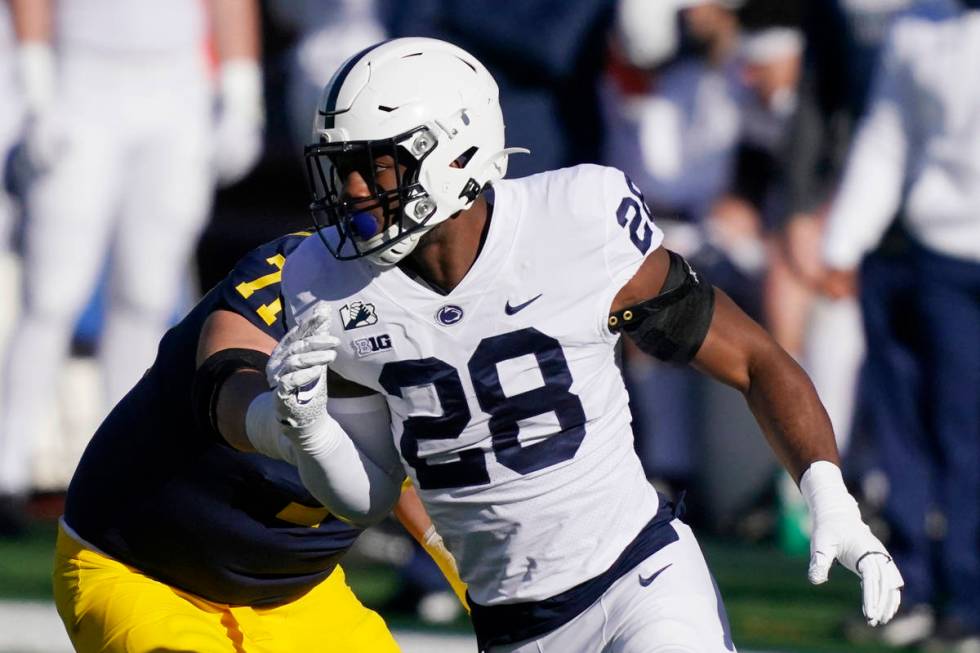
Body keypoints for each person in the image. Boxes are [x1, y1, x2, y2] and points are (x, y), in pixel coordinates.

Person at [245, 37, 904, 652]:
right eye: (343, 168)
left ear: (454, 152)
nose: (355, 191)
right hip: (509, 620)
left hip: (637, 580)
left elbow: (755, 359)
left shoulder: (574, 222)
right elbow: (370, 495)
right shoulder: (322, 282)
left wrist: (830, 496)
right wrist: (308, 431)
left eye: (376, 166)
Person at [52, 229, 466, 652]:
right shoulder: (303, 270)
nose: (353, 189)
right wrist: (293, 428)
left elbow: (431, 472)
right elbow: (225, 382)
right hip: (144, 575)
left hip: (303, 598)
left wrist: (490, 588)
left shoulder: (484, 308)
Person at [0, 0, 265, 523]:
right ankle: (7, 468)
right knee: (52, 293)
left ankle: (119, 467)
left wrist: (241, 88)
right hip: (81, 75)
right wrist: (35, 79)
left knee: (146, 295)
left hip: (175, 84)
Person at [821, 1, 980, 648]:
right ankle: (909, 585)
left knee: (965, 435)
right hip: (929, 253)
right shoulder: (917, 27)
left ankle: (967, 601)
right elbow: (887, 136)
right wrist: (843, 240)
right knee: (908, 428)